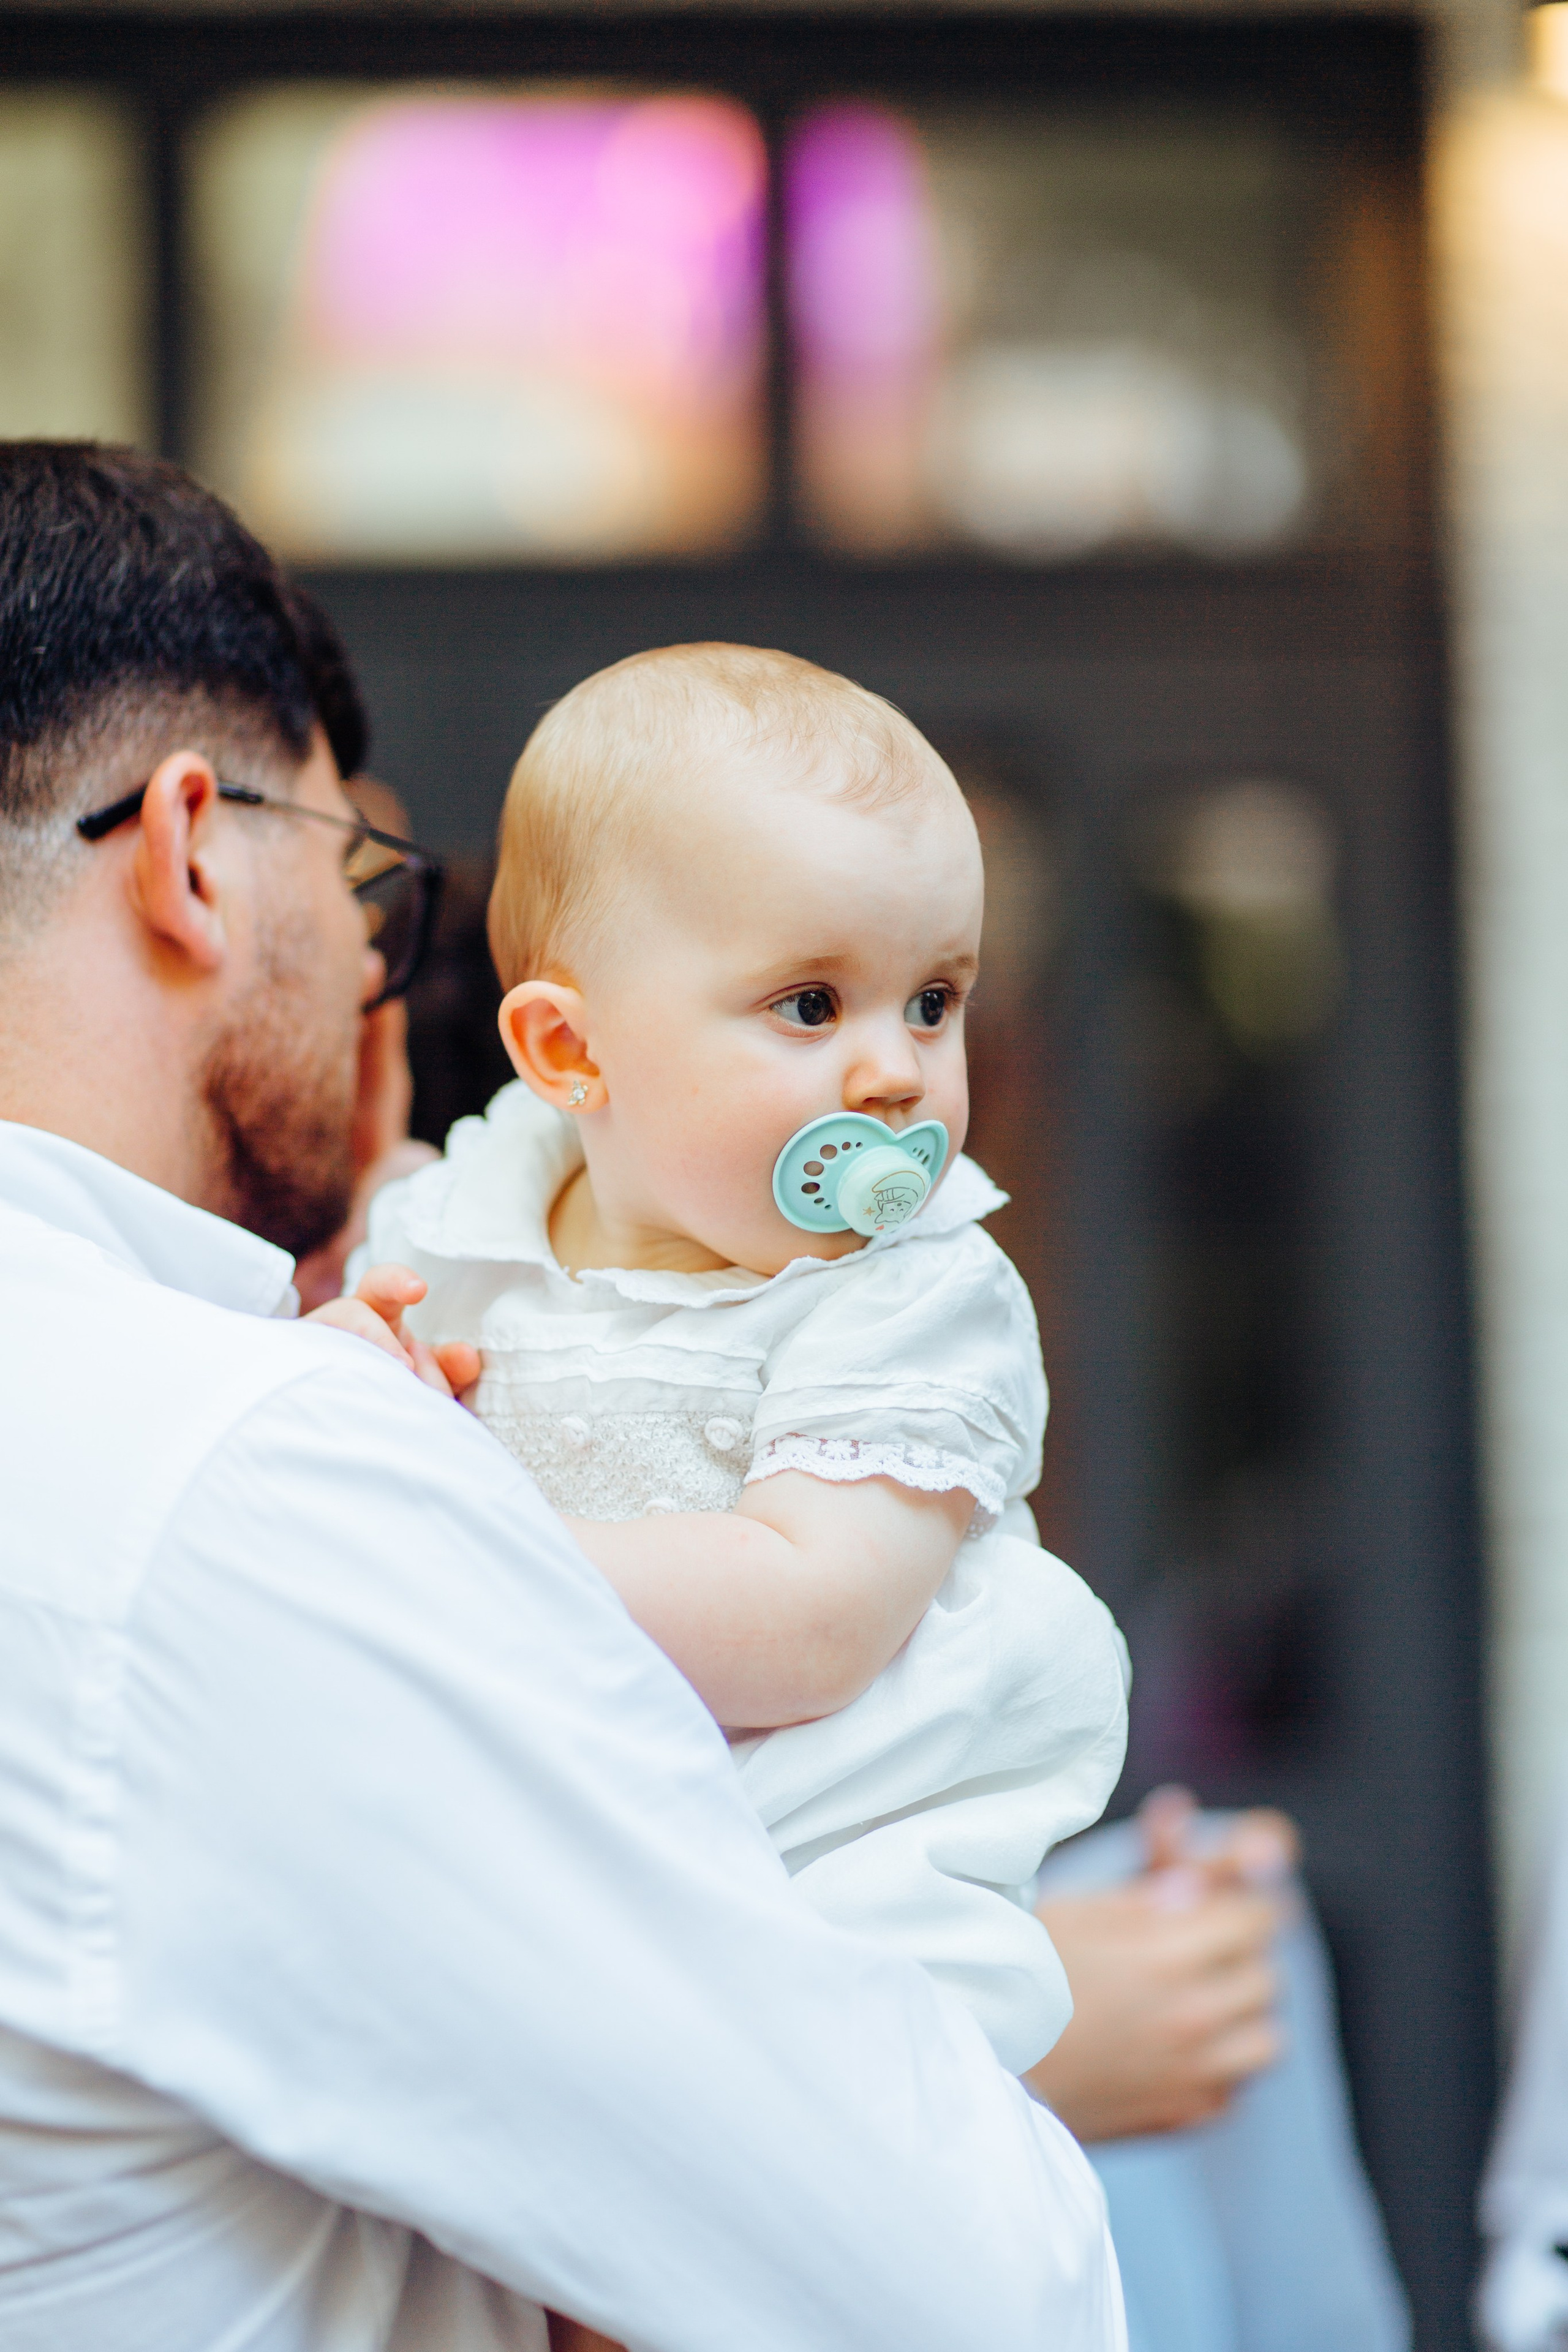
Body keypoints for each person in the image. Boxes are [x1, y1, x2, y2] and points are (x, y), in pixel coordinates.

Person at [0, 442, 1125, 2351]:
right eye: (359, 870)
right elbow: (957, 2292)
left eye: (933, 1003)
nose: (375, 964)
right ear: (193, 852)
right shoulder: (254, 1471)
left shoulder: (900, 1295)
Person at [359, 643, 1130, 2082]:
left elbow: (809, 1618)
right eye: (809, 1006)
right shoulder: (446, 1232)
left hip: (837, 1898)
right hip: (557, 1885)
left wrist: (441, 1527)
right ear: (568, 1051)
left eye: (933, 1000)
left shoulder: (912, 1295)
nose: (895, 1073)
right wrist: (351, 1385)